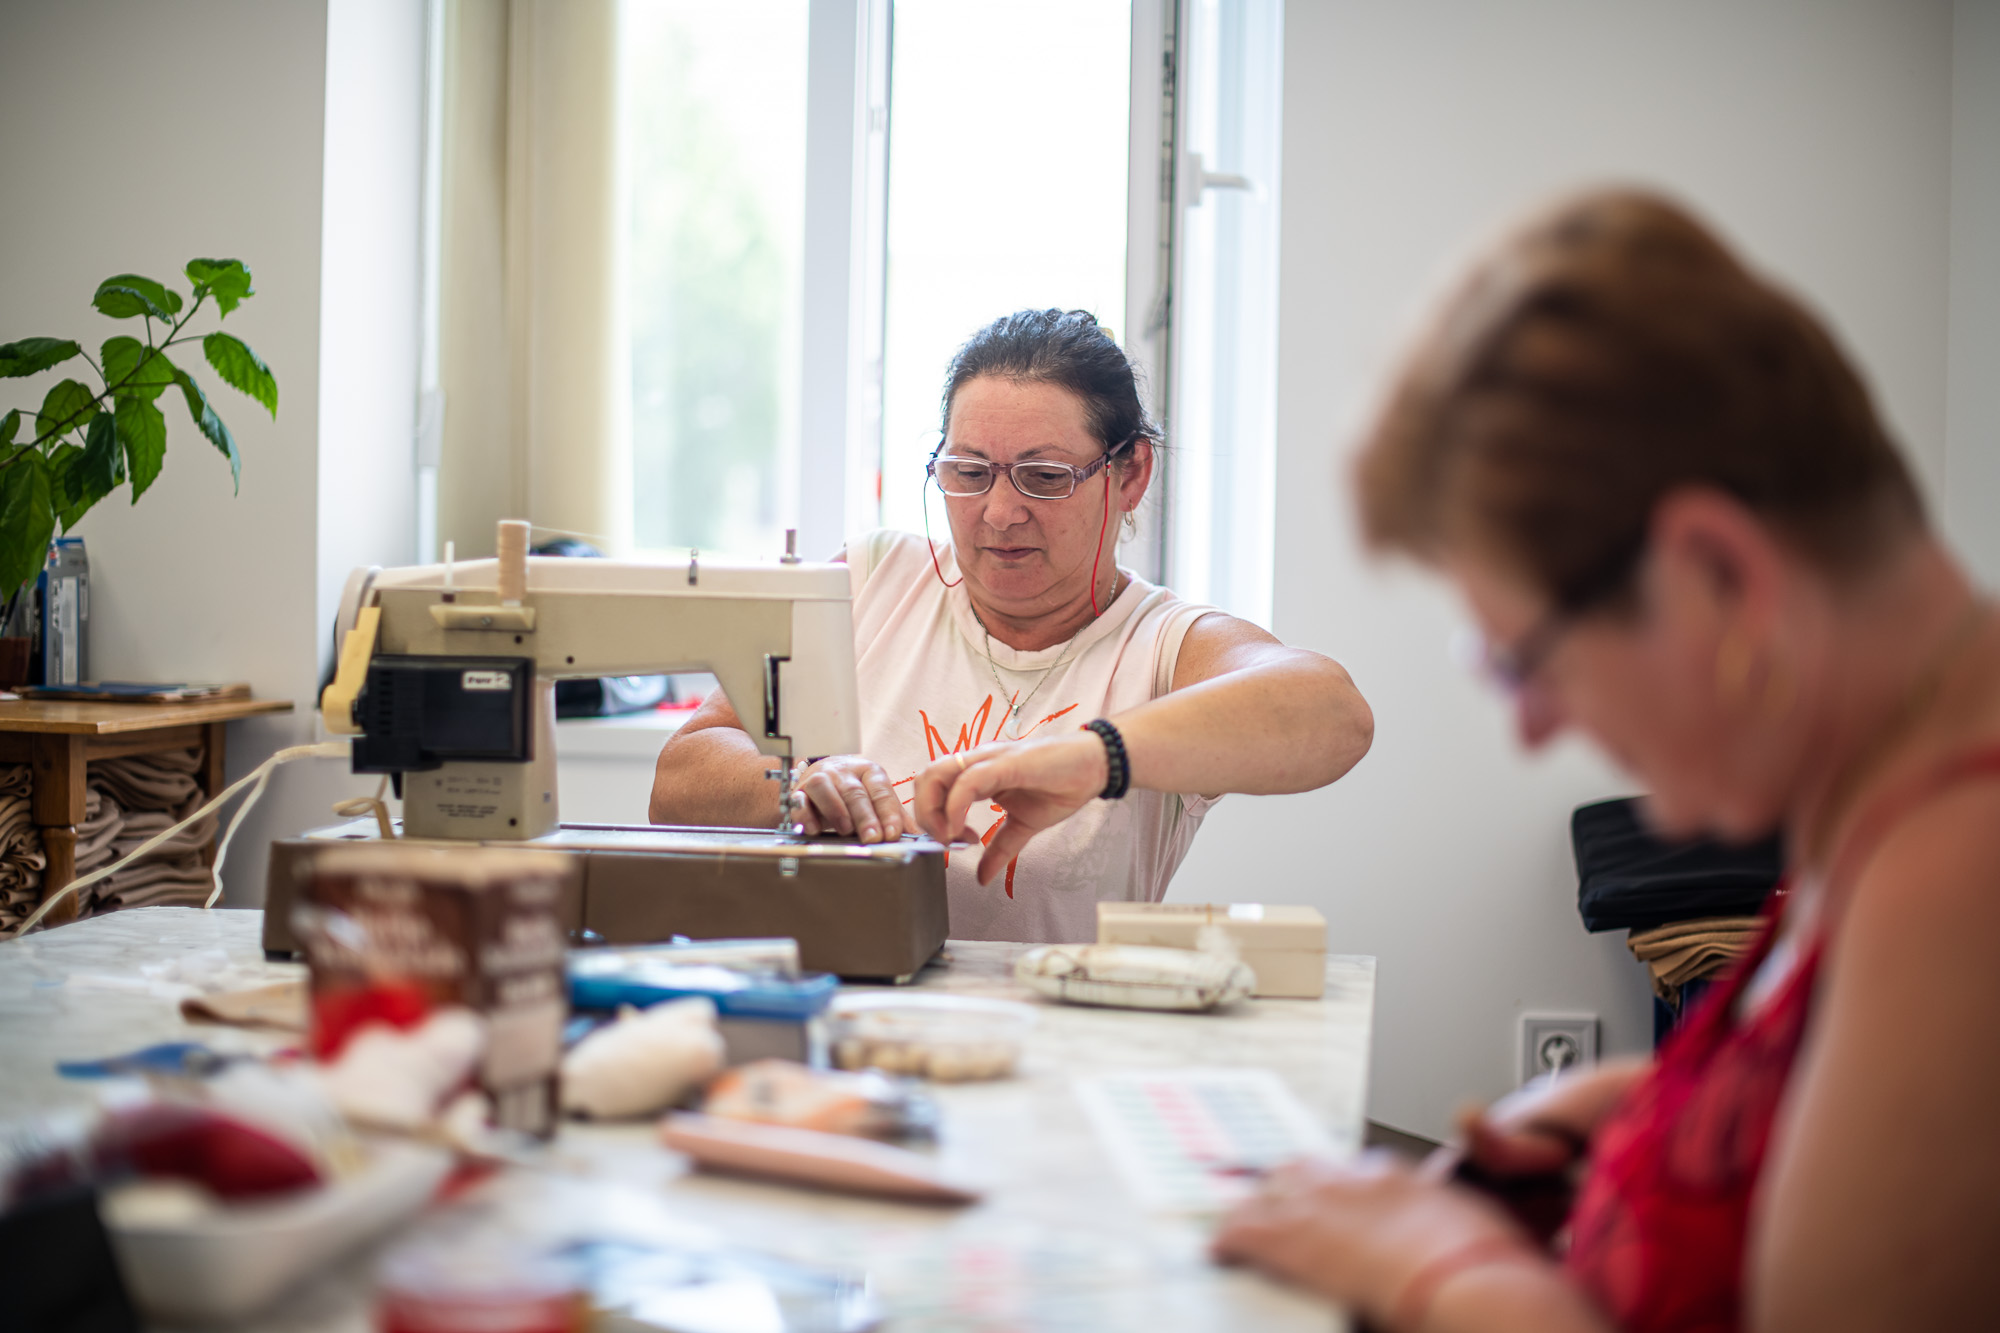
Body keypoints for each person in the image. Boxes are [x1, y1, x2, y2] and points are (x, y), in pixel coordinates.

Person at [1211, 188, 2000, 1331]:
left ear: (1714, 572)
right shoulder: (1889, 786)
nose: (1530, 728)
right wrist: (1669, 1110)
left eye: (1527, 662)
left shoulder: (1961, 873)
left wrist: (1438, 1269)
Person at [651, 308, 1373, 941]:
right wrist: (802, 785)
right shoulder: (871, 581)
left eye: (1045, 477)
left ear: (1129, 475)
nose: (998, 513)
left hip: (1058, 1030)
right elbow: (679, 777)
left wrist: (1093, 756)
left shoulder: (1159, 647)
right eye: (968, 472)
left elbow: (1333, 712)